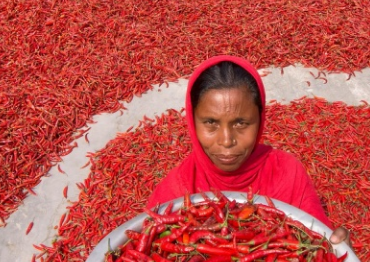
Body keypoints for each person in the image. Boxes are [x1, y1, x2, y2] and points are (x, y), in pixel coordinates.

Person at [148, 56, 350, 246]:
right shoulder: (177, 190)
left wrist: (336, 250)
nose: (227, 141)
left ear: (260, 120)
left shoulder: (287, 174)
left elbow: (317, 244)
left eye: (241, 123)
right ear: (192, 122)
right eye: (210, 123)